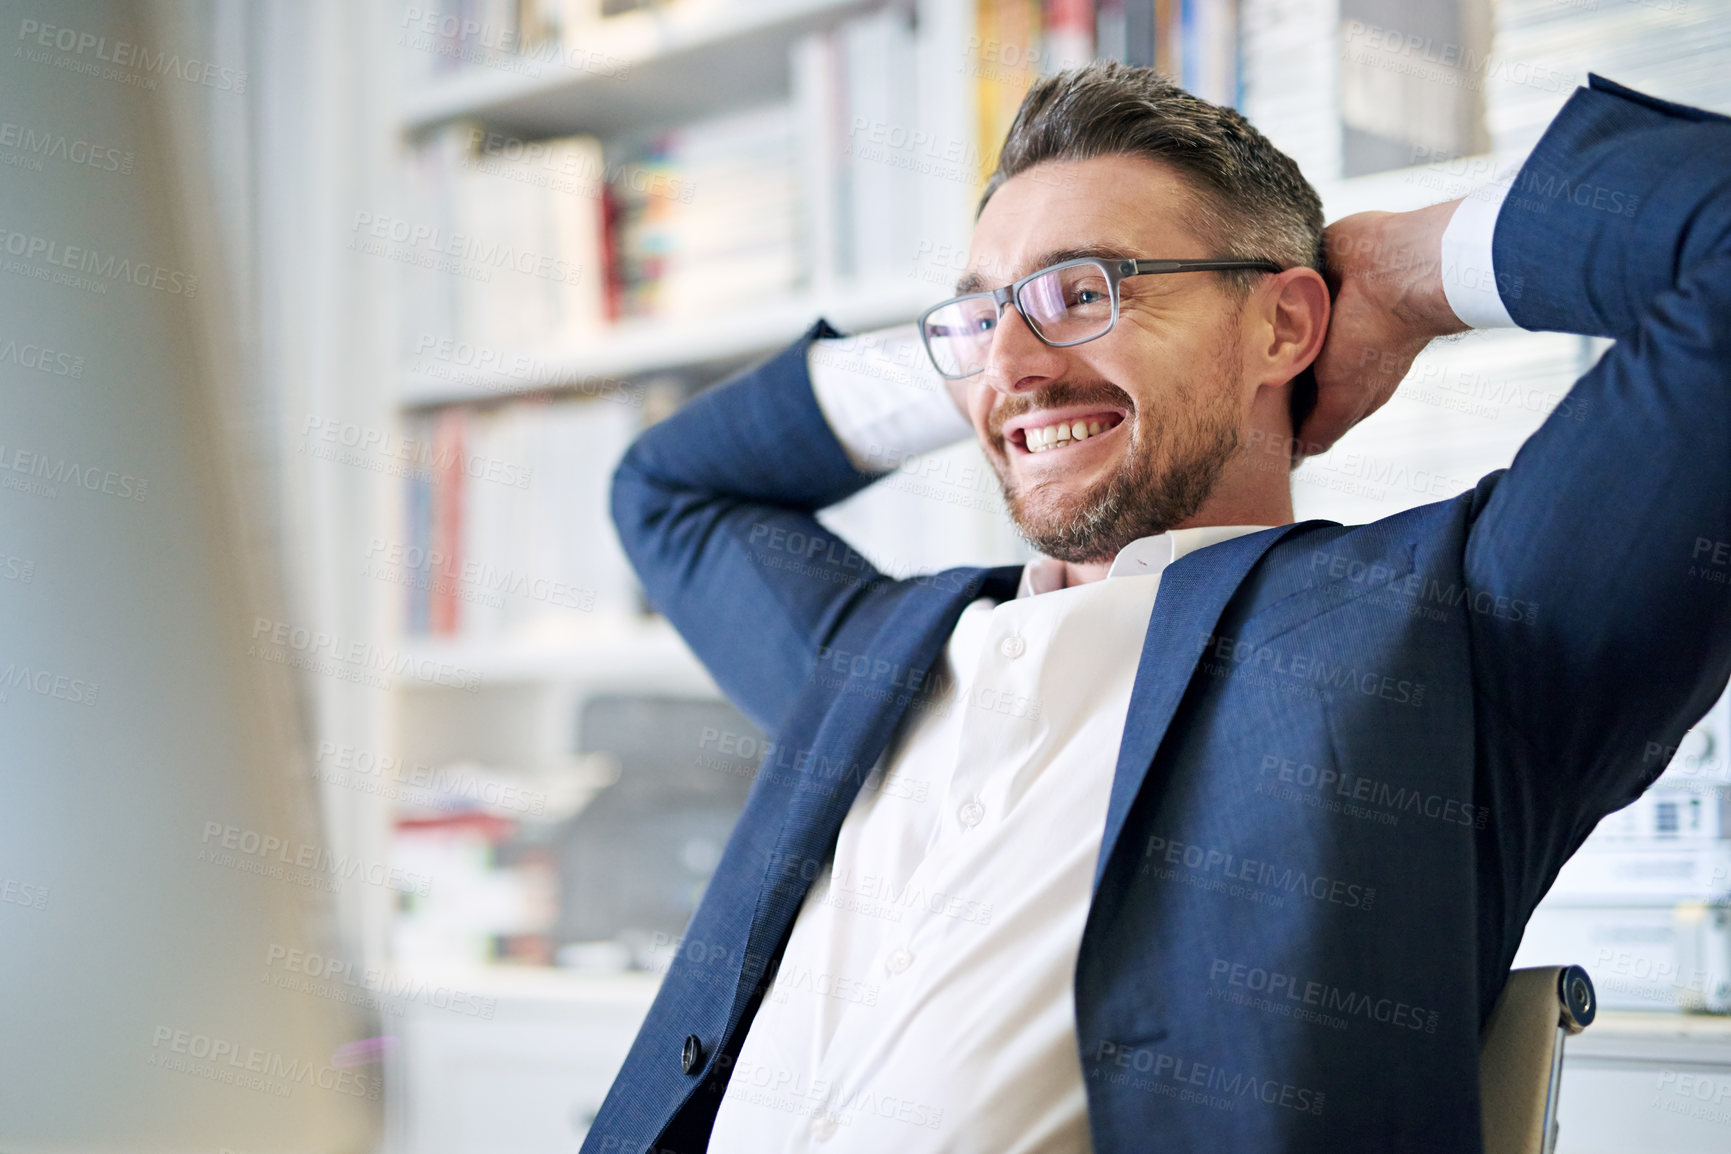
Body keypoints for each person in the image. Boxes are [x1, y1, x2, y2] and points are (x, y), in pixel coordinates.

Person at [580, 64, 1731, 1153]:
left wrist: (1401, 271)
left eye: (1089, 289)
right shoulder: (880, 656)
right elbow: (670, 485)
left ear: (1284, 325)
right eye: (983, 315)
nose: (1014, 364)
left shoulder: (1453, 627)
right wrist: (993, 353)